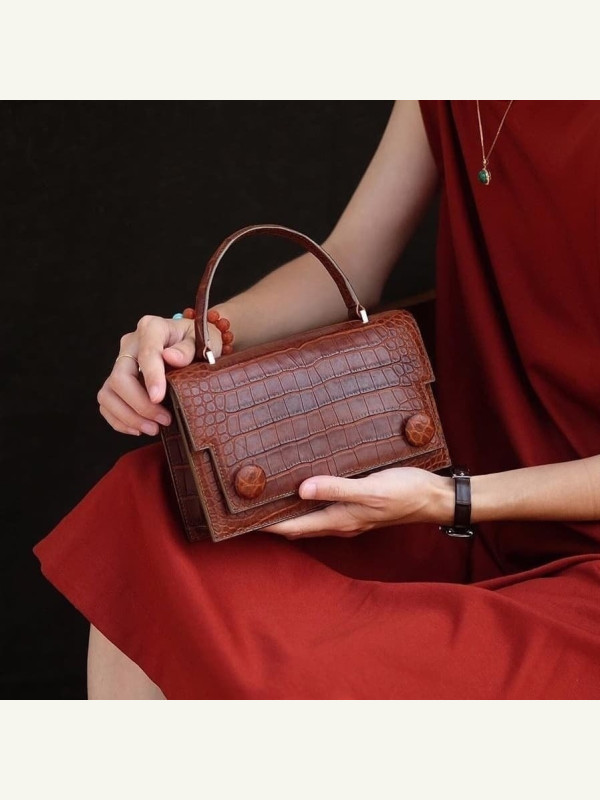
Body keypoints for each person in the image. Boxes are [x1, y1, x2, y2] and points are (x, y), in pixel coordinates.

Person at [34, 101, 600, 699]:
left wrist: (447, 500)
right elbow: (353, 256)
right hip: (451, 478)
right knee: (150, 515)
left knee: (320, 676)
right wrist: (204, 332)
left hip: (521, 519)